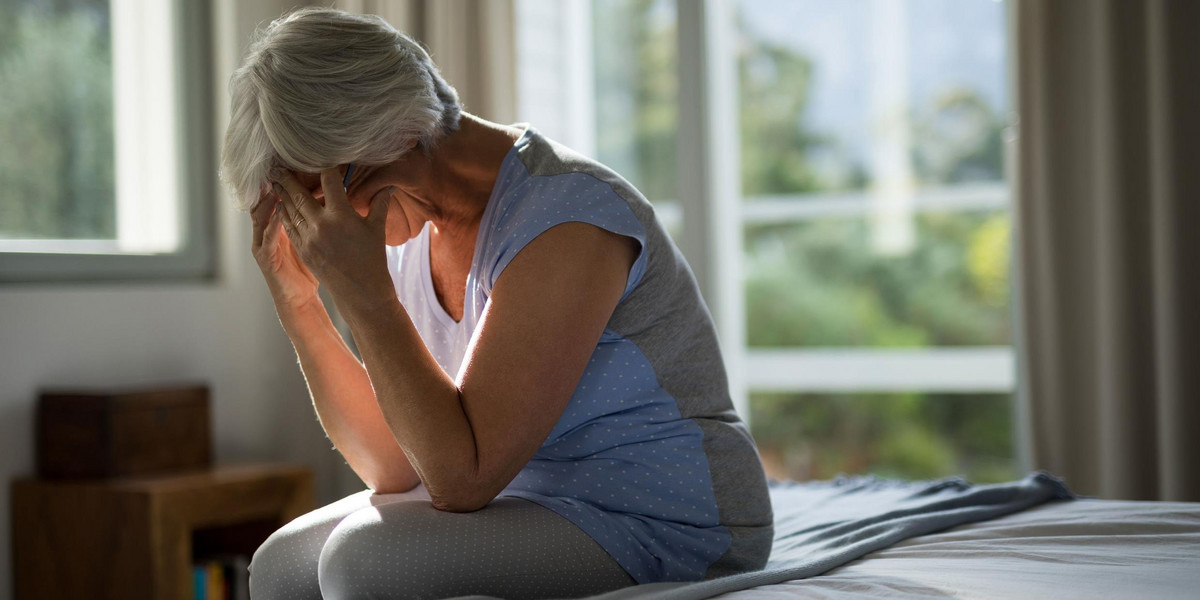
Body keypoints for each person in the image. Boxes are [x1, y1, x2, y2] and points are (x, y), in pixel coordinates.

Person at [219, 7, 772, 600]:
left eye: (321, 195)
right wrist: (300, 302)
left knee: (362, 565)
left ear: (390, 135)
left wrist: (366, 294)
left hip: (665, 519)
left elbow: (462, 479)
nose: (322, 229)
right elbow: (398, 466)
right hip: (526, 499)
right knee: (279, 567)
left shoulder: (566, 219)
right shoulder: (403, 233)